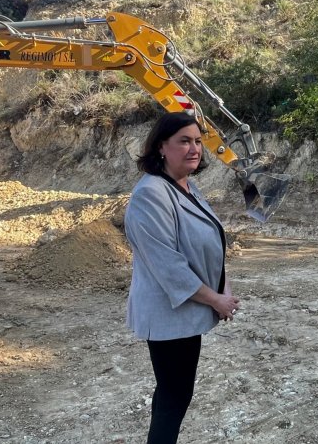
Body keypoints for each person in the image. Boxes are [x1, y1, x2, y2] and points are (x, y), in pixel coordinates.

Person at [124, 111, 240, 444]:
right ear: (161, 146)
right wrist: (216, 299)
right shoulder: (150, 195)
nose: (194, 149)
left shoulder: (187, 186)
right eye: (184, 141)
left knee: (172, 393)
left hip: (185, 312)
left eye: (198, 142)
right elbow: (170, 267)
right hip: (167, 315)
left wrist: (223, 286)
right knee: (174, 397)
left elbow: (208, 241)